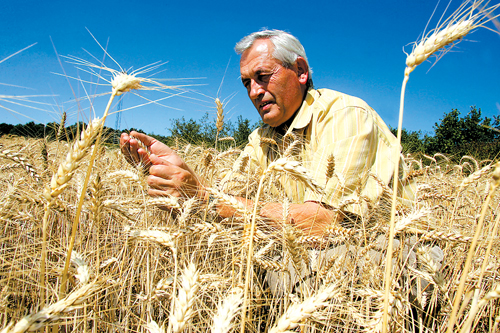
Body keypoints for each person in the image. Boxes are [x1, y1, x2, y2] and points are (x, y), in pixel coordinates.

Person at [120, 30, 414, 236]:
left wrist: (202, 198)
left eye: (263, 76)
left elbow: (327, 222)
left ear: (300, 71)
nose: (254, 91)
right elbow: (231, 197)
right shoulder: (262, 138)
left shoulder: (345, 115)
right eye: (246, 83)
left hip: (393, 253)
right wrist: (175, 172)